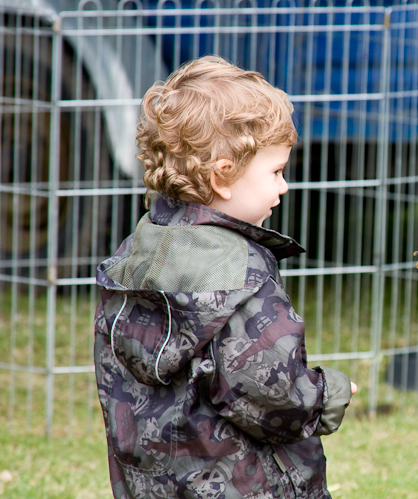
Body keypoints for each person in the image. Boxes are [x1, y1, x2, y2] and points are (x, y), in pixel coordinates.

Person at [93, 56, 356, 499]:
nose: (284, 186)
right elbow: (268, 392)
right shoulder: (239, 273)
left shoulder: (136, 252)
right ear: (223, 175)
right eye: (275, 171)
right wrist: (327, 391)